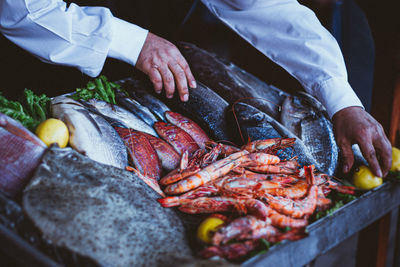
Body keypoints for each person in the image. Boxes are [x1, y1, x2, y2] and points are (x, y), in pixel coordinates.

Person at [0, 0, 392, 177]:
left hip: (143, 85)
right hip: (34, 74)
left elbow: (264, 7)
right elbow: (23, 10)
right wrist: (134, 43)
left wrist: (342, 100)